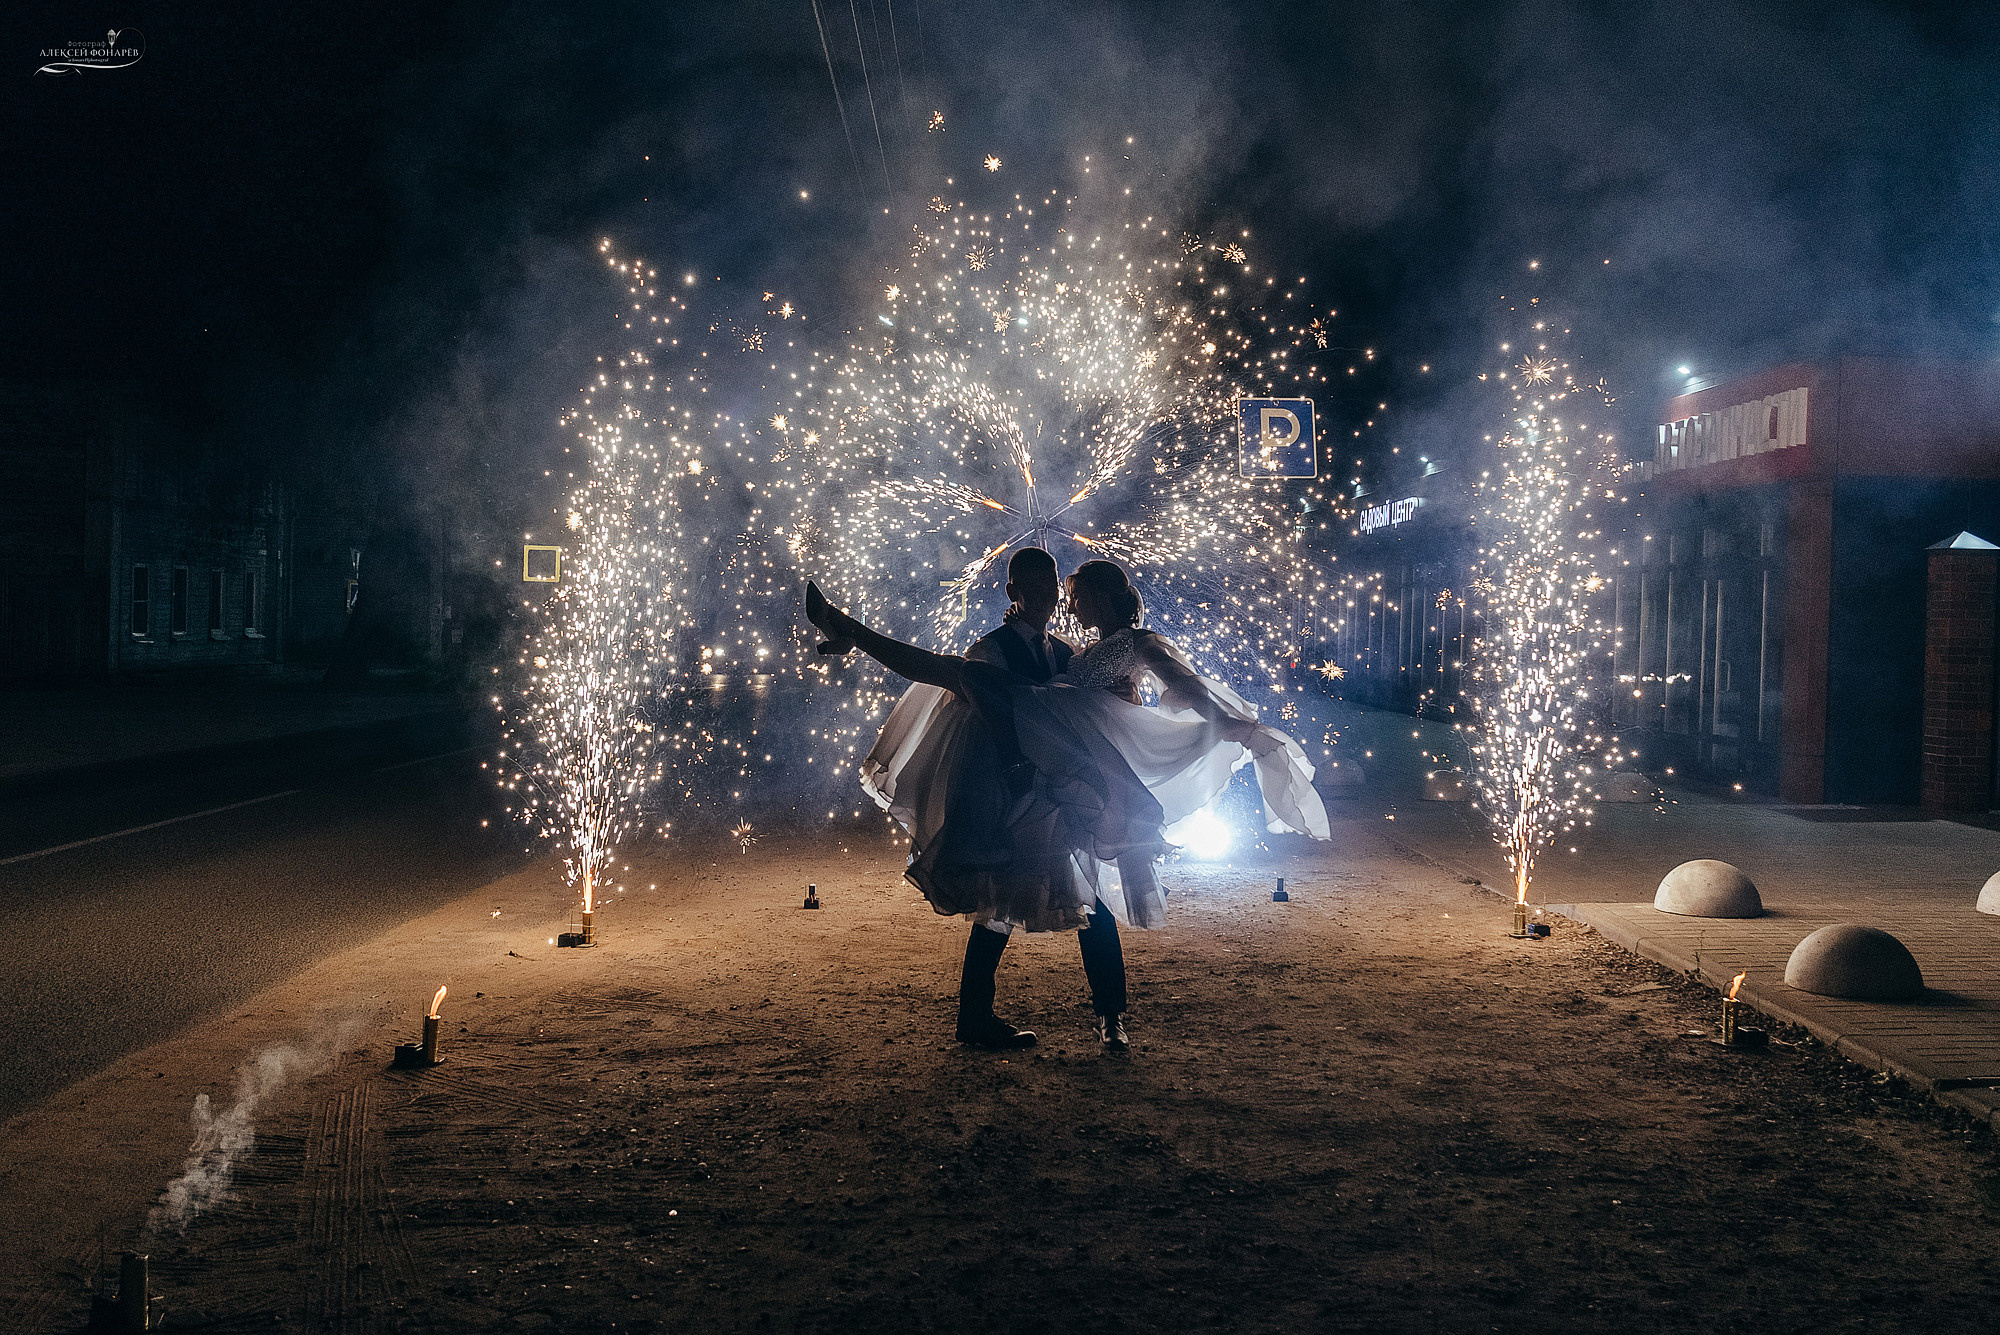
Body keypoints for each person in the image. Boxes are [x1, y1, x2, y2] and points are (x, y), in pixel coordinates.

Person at [805, 558, 1330, 1050]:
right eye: (1047, 588)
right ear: (1013, 591)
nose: (1061, 601)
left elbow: (1171, 688)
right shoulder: (1014, 649)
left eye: (1064, 590)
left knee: (1081, 892)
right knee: (1006, 891)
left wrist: (1229, 724)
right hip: (1029, 776)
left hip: (1070, 778)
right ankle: (986, 1016)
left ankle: (1108, 1015)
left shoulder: (1073, 651)